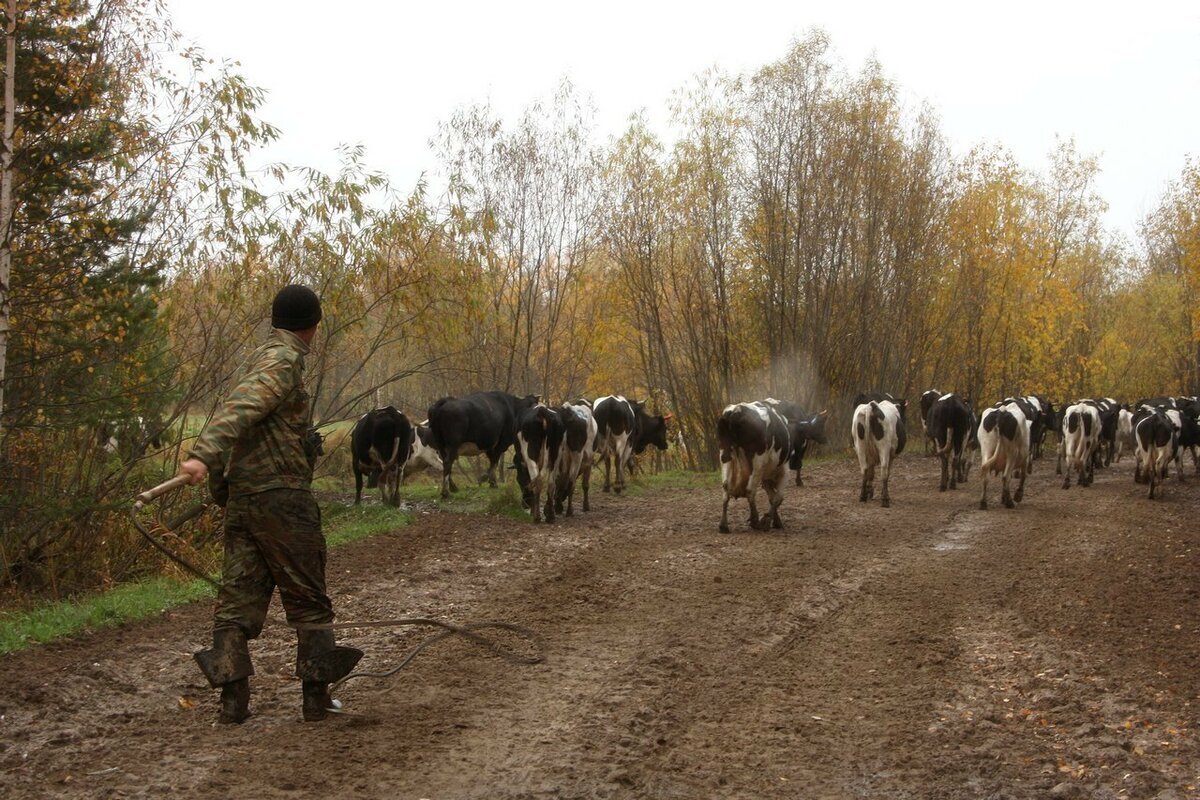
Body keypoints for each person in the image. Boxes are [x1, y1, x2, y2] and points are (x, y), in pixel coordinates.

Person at [179, 284, 361, 723]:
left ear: (276, 321)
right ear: (314, 325)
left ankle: (232, 703)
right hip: (282, 501)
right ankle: (317, 700)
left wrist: (220, 486)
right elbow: (241, 409)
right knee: (308, 600)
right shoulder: (282, 361)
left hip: (244, 501)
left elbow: (239, 417)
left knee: (236, 603)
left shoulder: (259, 357)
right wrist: (202, 455)